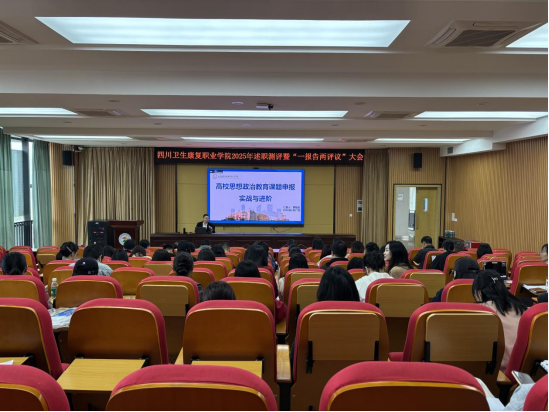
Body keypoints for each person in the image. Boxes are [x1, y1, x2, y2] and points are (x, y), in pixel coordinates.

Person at [473, 270, 527, 373]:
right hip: (524, 369)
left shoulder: (481, 311)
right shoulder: (520, 306)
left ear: (478, 292)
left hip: (500, 371)